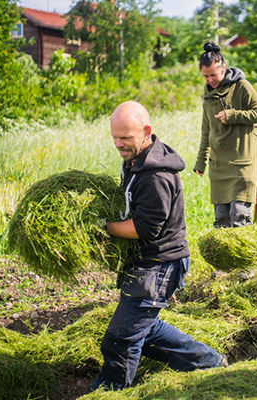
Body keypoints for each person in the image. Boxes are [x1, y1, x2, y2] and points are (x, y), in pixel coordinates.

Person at [91, 101, 226, 391]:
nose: (118, 144)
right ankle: (210, 363)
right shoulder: (135, 159)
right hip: (147, 261)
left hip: (160, 265)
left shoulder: (156, 175)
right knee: (145, 329)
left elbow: (144, 228)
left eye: (125, 138)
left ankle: (107, 394)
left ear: (146, 131)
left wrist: (104, 227)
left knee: (122, 339)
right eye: (115, 137)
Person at [193, 42, 257, 228]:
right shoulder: (208, 99)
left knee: (239, 217)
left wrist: (232, 115)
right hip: (219, 167)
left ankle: (243, 256)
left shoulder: (241, 86)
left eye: (213, 75)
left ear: (223, 68)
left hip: (241, 164)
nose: (210, 79)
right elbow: (206, 132)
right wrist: (201, 162)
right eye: (205, 76)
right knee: (222, 220)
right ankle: (222, 258)